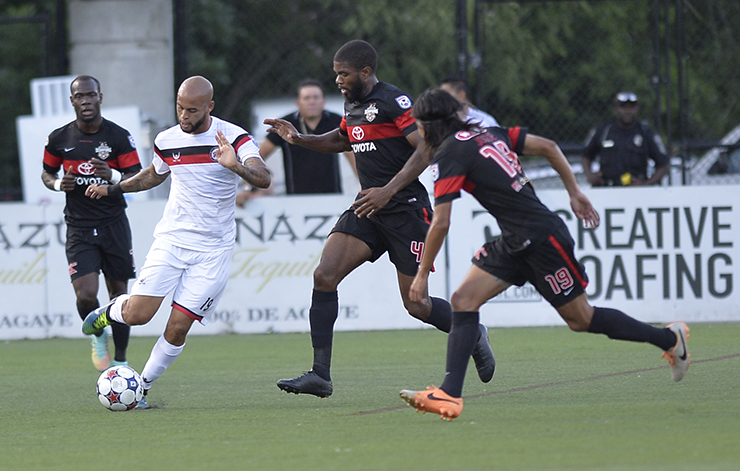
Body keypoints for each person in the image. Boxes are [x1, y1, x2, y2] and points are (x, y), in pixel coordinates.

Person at [399, 88, 690, 421]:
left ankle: (670, 338)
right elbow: (548, 146)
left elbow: (441, 221)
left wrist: (420, 275)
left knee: (582, 319)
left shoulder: (449, 153)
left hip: (540, 239)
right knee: (463, 300)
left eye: (417, 123)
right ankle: (450, 395)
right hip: (515, 239)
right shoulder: (488, 132)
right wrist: (575, 193)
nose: (416, 130)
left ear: (430, 124)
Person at [264, 40, 495, 398]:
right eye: (336, 74)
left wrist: (388, 189)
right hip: (369, 207)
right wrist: (299, 139)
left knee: (417, 305)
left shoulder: (393, 101)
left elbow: (426, 147)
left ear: (366, 72)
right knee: (324, 275)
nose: (338, 80)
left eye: (344, 74)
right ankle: (320, 375)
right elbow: (342, 139)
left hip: (405, 209)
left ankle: (473, 331)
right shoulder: (352, 103)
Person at [81, 76, 271, 406]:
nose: (184, 115)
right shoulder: (167, 139)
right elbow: (152, 175)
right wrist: (113, 188)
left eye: (192, 110)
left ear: (210, 107)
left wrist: (235, 166)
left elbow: (264, 177)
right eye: (180, 107)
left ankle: (142, 388)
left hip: (213, 250)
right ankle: (109, 312)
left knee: (178, 328)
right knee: (139, 314)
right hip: (172, 240)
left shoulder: (235, 138)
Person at [41, 75, 142, 372]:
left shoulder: (118, 137)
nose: (86, 101)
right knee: (86, 295)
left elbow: (136, 178)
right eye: (80, 96)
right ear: (72, 101)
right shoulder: (59, 138)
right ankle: (99, 334)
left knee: (119, 297)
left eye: (91, 95)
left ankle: (121, 361)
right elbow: (46, 175)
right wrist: (60, 184)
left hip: (113, 224)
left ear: (100, 97)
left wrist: (110, 175)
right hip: (79, 227)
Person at [257, 78, 357, 195]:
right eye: (306, 98)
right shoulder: (286, 125)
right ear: (298, 102)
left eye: (316, 97)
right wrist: (261, 181)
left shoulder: (336, 121)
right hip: (296, 199)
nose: (311, 102)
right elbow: (257, 156)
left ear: (323, 101)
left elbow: (353, 155)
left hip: (331, 197)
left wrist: (365, 185)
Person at [581, 91, 669, 187]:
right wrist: (590, 175)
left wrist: (646, 184)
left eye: (632, 107)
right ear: (616, 109)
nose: (628, 111)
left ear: (637, 109)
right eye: (624, 107)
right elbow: (586, 156)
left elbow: (664, 165)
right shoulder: (603, 131)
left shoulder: (646, 133)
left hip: (636, 192)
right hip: (607, 189)